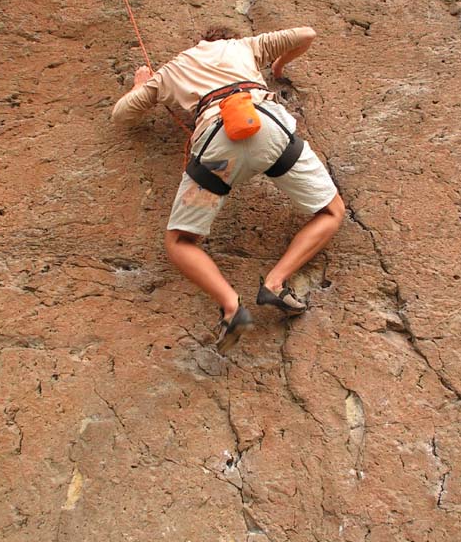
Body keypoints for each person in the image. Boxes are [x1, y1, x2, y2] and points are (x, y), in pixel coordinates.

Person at [112, 26, 345, 352]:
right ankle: (275, 282)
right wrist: (277, 67)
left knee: (180, 241)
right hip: (268, 133)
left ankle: (232, 307)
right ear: (227, 39)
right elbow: (307, 34)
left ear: (201, 43)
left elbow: (122, 113)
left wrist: (141, 84)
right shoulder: (245, 46)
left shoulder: (173, 69)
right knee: (332, 211)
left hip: (219, 152)